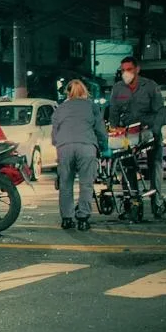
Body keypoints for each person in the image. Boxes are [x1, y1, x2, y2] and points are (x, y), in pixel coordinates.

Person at [104, 56, 165, 214]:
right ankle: (132, 200)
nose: (126, 73)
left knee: (155, 165)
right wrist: (114, 129)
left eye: (129, 70)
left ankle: (157, 201)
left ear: (137, 69)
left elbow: (160, 111)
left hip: (149, 130)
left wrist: (155, 131)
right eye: (123, 70)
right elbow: (114, 112)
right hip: (128, 134)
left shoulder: (150, 86)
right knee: (127, 165)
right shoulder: (118, 88)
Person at [51, 78, 109, 232]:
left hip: (65, 147)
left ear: (67, 92)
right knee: (86, 184)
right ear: (85, 91)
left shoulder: (60, 108)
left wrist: (60, 145)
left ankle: (67, 219)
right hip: (86, 146)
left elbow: (54, 135)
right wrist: (104, 147)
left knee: (65, 184)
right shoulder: (92, 106)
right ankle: (83, 219)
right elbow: (100, 130)